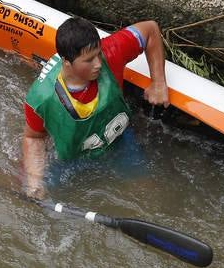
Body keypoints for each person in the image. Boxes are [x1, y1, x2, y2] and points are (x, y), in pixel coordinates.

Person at [21, 16, 169, 198]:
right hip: (73, 159)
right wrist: (35, 180)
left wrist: (159, 83)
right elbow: (34, 138)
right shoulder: (41, 99)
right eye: (89, 60)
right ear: (67, 63)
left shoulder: (110, 51)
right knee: (39, 193)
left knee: (146, 191)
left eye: (98, 54)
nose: (99, 64)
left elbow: (150, 29)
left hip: (118, 139)